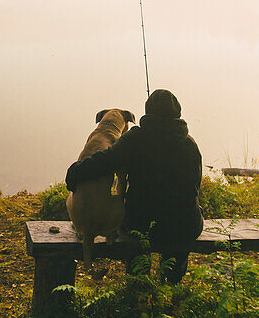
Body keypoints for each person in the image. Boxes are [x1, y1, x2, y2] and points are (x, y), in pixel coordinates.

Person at [65, 89, 203, 283]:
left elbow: (104, 161)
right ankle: (172, 285)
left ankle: (138, 285)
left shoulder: (136, 139)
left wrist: (75, 172)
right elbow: (195, 186)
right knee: (178, 240)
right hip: (184, 225)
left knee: (136, 240)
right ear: (177, 114)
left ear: (148, 112)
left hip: (142, 223)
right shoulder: (190, 145)